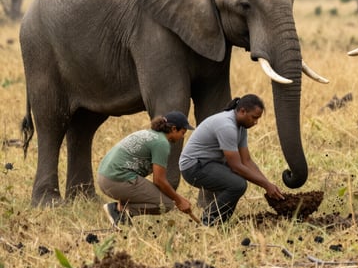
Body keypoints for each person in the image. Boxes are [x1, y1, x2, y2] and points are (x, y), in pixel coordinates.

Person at [179, 94, 285, 226]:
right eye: (254, 117)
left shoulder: (241, 127)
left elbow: (247, 161)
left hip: (210, 163)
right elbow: (236, 166)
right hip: (193, 166)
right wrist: (265, 185)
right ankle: (208, 223)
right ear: (242, 111)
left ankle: (219, 224)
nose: (256, 122)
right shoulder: (226, 125)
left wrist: (268, 184)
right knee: (237, 184)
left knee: (235, 182)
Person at [98, 111, 194, 228]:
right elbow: (159, 180)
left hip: (103, 178)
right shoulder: (162, 143)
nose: (182, 137)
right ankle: (118, 210)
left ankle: (121, 218)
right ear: (174, 129)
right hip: (117, 180)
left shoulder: (148, 133)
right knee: (166, 204)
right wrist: (178, 200)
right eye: (182, 133)